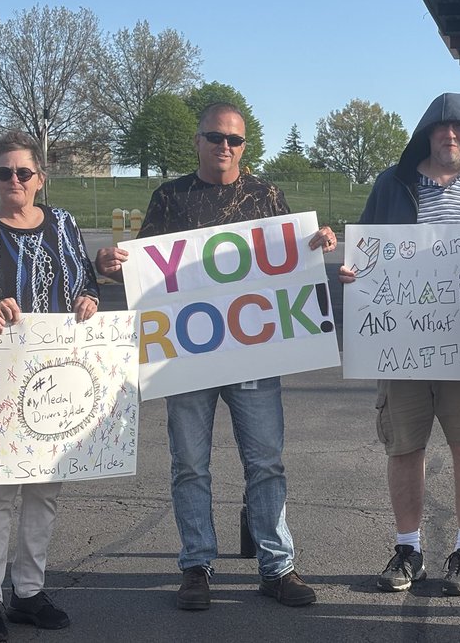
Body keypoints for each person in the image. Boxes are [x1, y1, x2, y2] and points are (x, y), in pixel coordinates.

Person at [95, 102, 335, 610]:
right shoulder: (170, 197)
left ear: (245, 146)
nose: (224, 147)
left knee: (266, 461)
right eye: (215, 137)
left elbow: (291, 258)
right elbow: (145, 272)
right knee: (189, 465)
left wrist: (320, 243)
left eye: (235, 140)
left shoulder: (267, 195)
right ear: (198, 142)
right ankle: (196, 565)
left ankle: (277, 566)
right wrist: (113, 265)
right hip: (186, 357)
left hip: (254, 356)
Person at [340, 92, 460, 597]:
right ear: (427, 135)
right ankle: (409, 548)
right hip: (402, 341)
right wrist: (353, 274)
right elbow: (366, 249)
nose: (451, 136)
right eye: (441, 129)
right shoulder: (393, 184)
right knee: (404, 445)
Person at [0, 131, 100, 643]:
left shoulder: (65, 224)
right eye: (4, 173)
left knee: (44, 491)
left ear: (40, 179)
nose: (15, 181)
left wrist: (90, 300)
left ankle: (29, 591)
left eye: (24, 173)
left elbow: (86, 283)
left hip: (57, 376)